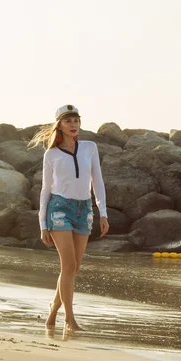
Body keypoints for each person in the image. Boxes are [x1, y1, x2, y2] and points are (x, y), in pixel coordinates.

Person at [29, 104, 109, 333]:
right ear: (60, 126)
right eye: (68, 121)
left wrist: (102, 212)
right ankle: (69, 320)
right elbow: (45, 189)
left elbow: (98, 182)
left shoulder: (90, 147)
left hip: (84, 209)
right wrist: (43, 223)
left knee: (74, 269)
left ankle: (53, 311)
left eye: (76, 120)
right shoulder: (51, 154)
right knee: (69, 264)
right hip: (59, 207)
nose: (73, 125)